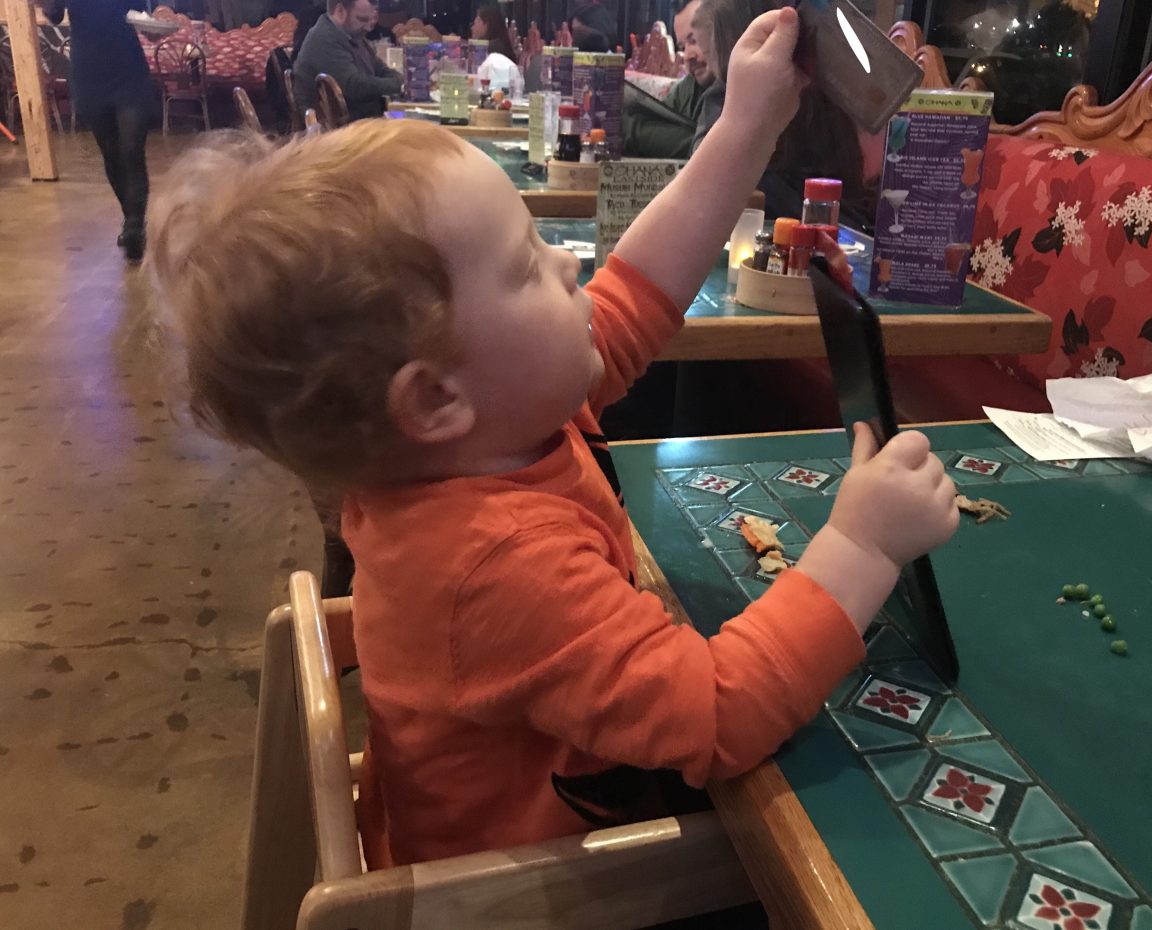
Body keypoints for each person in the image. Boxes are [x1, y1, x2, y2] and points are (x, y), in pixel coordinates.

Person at [147, 8, 958, 868]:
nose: (569, 264)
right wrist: (862, 545)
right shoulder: (496, 564)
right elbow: (718, 717)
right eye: (526, 263)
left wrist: (747, 123)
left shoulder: (488, 425)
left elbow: (638, 292)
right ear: (433, 397)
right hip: (532, 899)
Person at [692, 0, 872, 229]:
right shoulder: (821, 87)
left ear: (727, 45)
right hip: (845, 229)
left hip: (774, 232)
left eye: (709, 52)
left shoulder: (727, 98)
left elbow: (704, 190)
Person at [38, 0, 154, 262]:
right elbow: (55, 14)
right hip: (90, 74)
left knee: (132, 149)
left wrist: (153, 27)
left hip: (129, 70)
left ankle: (135, 224)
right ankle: (131, 218)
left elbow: (143, 14)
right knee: (111, 153)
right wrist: (46, 4)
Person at [622, 0, 713, 159]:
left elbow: (711, 150)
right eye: (682, 47)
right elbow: (659, 122)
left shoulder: (742, 89)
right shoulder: (688, 87)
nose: (687, 55)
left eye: (694, 40)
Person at [294, 0, 403, 121]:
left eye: (370, 20)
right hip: (338, 128)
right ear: (340, 11)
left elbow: (380, 69)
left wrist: (400, 81)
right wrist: (400, 85)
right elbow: (353, 85)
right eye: (362, 19)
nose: (368, 27)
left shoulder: (352, 36)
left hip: (359, 121)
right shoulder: (324, 38)